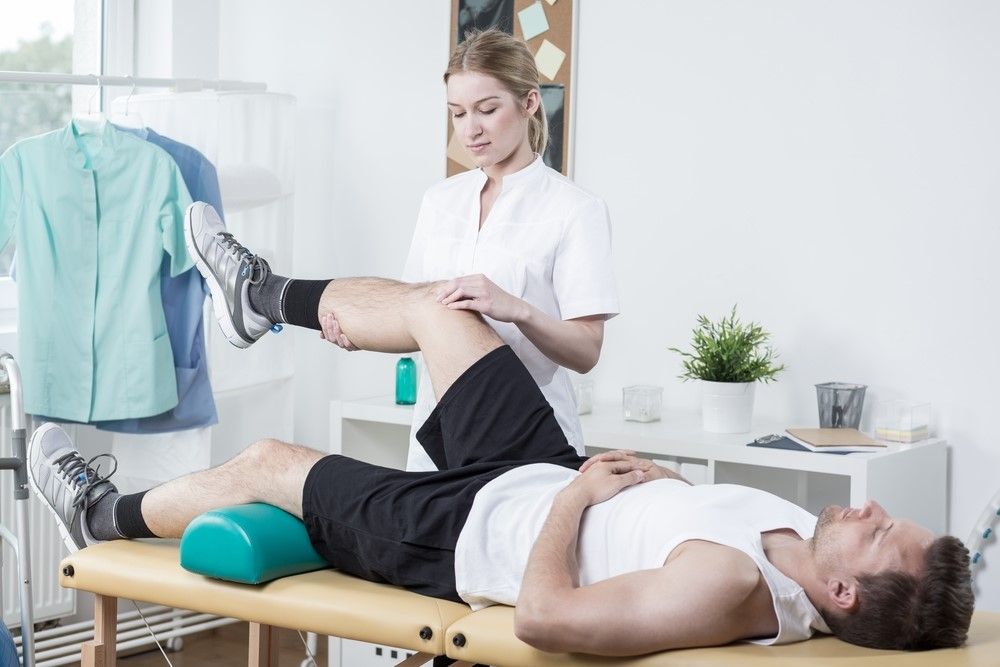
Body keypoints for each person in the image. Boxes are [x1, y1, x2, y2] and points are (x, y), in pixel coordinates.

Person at [29, 205, 973, 656]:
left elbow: (544, 617)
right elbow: (652, 534)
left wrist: (573, 497)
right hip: (542, 473)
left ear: (846, 591)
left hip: (471, 532)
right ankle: (262, 296)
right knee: (448, 309)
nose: (876, 506)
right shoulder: (789, 538)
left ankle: (100, 513)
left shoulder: (733, 588)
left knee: (271, 463)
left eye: (884, 530)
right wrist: (636, 484)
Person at [319, 28, 619, 471]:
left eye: (487, 109)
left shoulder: (575, 210)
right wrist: (358, 333)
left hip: (527, 438)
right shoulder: (440, 201)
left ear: (530, 102)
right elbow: (413, 315)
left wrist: (514, 308)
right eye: (457, 114)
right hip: (438, 435)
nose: (470, 130)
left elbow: (586, 352)